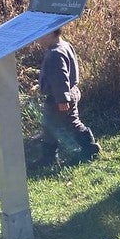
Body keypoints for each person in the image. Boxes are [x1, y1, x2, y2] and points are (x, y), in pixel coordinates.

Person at [36, 28, 100, 166]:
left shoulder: (55, 54)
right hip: (69, 92)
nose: (37, 40)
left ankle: (90, 147)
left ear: (50, 33)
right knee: (49, 125)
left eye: (40, 36)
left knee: (71, 122)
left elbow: (60, 79)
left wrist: (62, 99)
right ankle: (49, 157)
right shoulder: (64, 45)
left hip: (60, 96)